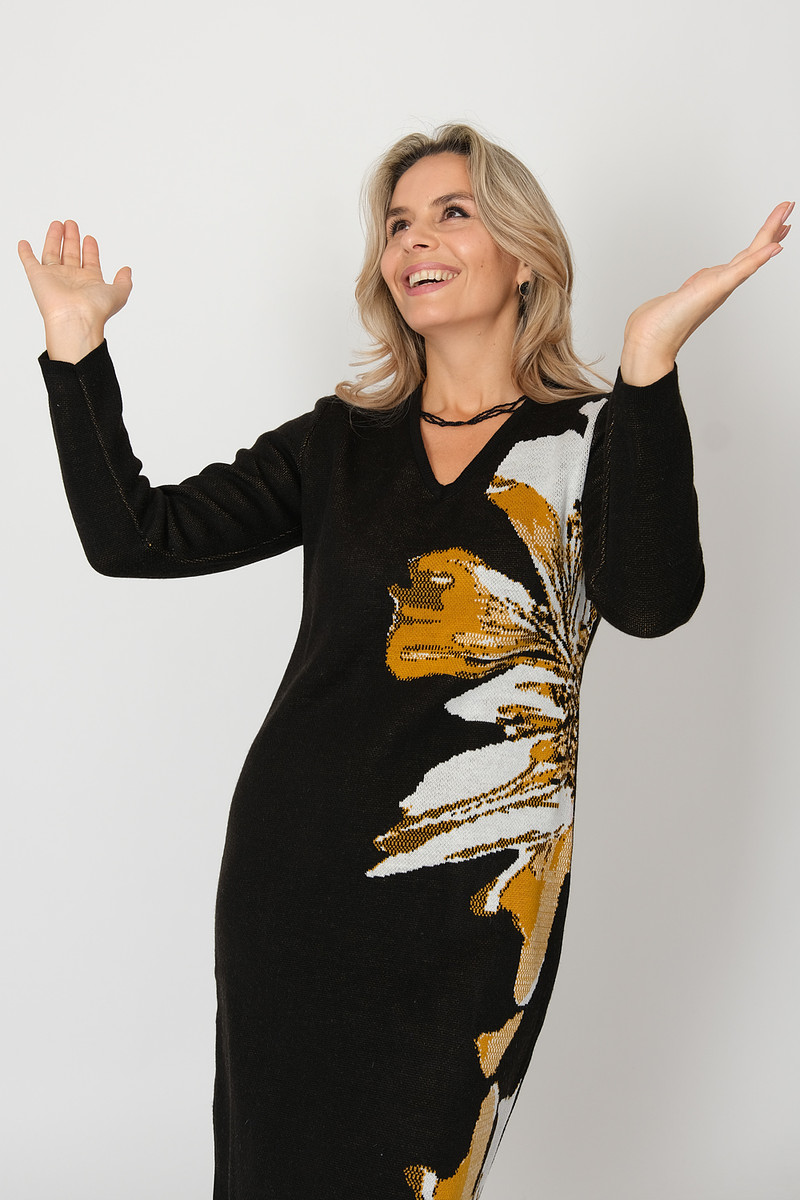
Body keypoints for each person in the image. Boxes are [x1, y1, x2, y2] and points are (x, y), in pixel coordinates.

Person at [19, 123, 791, 1200]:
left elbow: (652, 605)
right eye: (396, 225)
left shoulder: (591, 439)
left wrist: (647, 364)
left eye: (451, 213)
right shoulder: (339, 442)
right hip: (295, 871)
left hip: (476, 893)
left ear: (523, 255)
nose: (413, 241)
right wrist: (74, 349)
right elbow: (136, 537)